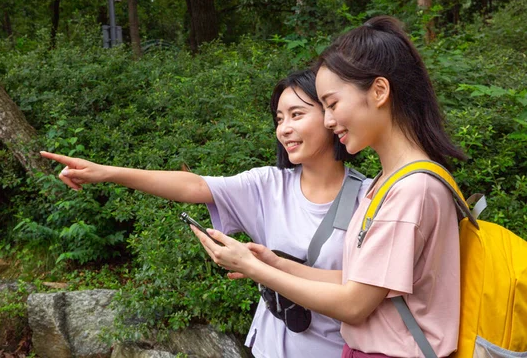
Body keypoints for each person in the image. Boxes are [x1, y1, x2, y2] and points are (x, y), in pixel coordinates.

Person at [40, 69, 372, 358]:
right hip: (269, 349)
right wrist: (107, 172)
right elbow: (194, 186)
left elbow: (366, 292)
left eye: (297, 115)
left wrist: (257, 265)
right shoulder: (268, 185)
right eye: (279, 119)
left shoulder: (369, 196)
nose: (283, 128)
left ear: (331, 117)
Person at [191, 16, 465, 358]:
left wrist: (253, 269)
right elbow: (355, 282)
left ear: (379, 91)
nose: (329, 120)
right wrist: (276, 264)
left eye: (333, 104)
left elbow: (354, 305)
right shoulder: (387, 183)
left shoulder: (412, 190)